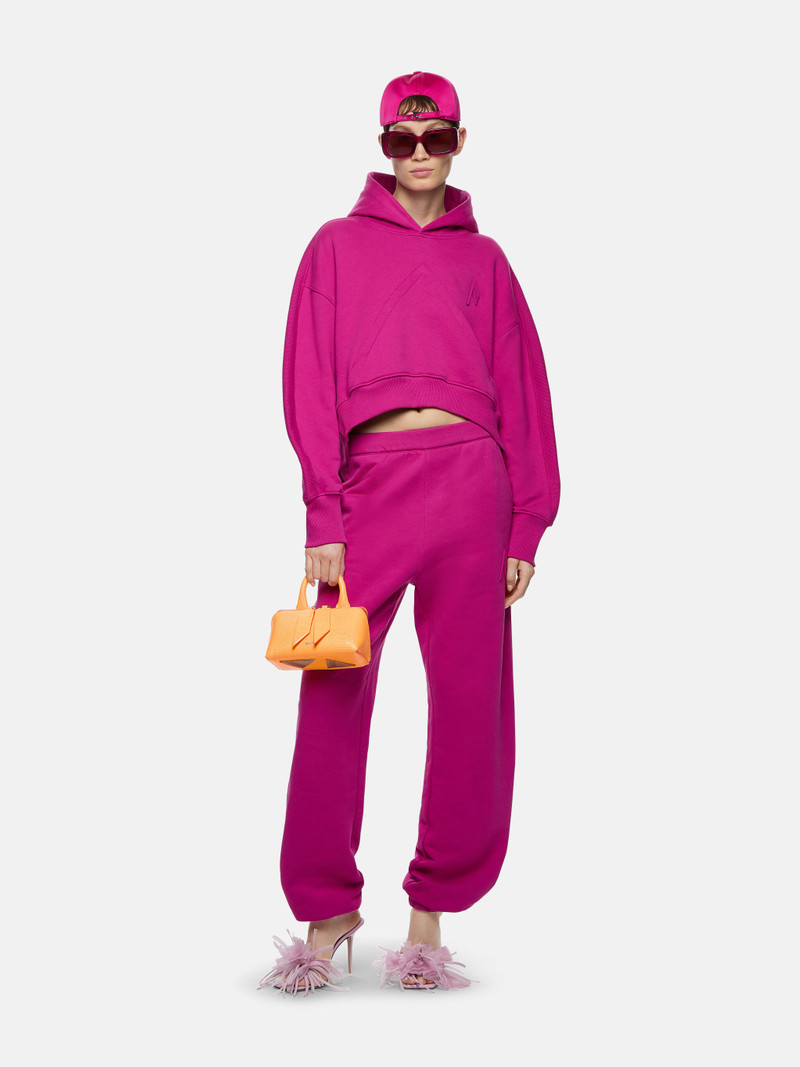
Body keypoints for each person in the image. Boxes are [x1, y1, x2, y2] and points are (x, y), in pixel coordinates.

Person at [259, 71, 561, 995]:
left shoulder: (487, 261)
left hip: (474, 486)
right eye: (402, 140)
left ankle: (430, 913)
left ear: (459, 142)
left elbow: (525, 389)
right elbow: (308, 378)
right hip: (370, 487)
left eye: (435, 139)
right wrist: (323, 510)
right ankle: (326, 908)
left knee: (471, 700)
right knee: (332, 689)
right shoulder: (336, 245)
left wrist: (527, 522)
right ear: (384, 145)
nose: (419, 154)